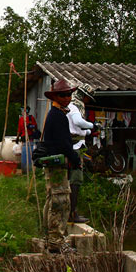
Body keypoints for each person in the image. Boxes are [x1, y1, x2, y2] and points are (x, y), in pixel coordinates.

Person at [39, 78, 81, 254]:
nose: (67, 98)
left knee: (52, 198)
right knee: (61, 200)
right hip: (56, 164)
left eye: (69, 94)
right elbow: (64, 144)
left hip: (54, 162)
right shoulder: (57, 116)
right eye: (63, 95)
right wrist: (75, 159)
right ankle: (56, 241)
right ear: (55, 96)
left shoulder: (56, 115)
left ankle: (49, 237)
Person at [66, 94, 97, 223]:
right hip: (75, 147)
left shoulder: (70, 108)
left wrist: (90, 131)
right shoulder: (74, 107)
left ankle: (70, 211)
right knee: (75, 179)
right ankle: (72, 213)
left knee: (72, 179)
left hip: (75, 144)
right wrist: (91, 125)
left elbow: (77, 128)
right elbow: (78, 122)